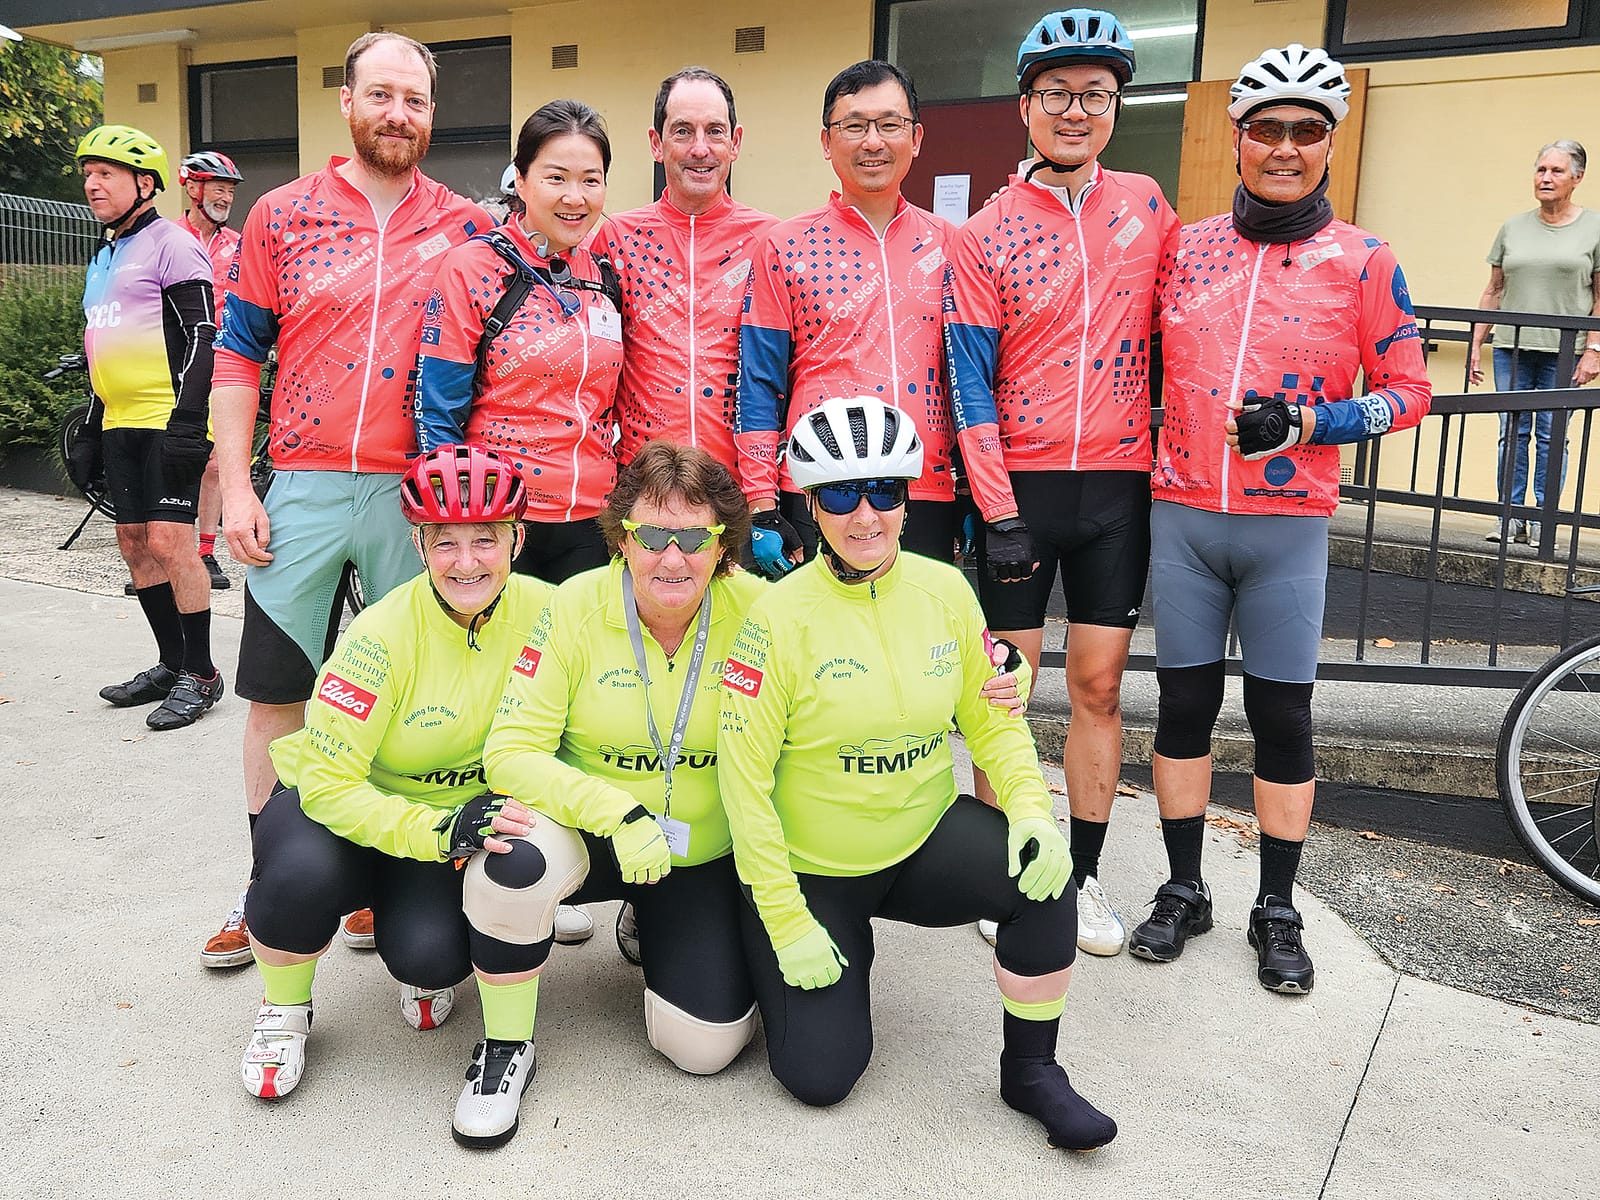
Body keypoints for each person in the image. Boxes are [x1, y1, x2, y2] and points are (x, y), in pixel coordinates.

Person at [719, 395, 1116, 1152]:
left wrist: (1032, 812)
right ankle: (795, 950)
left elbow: (992, 721)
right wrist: (785, 916)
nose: (865, 514)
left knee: (1043, 882)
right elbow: (744, 788)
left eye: (885, 492)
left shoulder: (945, 590)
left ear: (906, 499)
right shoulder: (774, 620)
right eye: (840, 495)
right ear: (810, 504)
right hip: (812, 868)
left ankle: (1031, 1070)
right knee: (820, 1078)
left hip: (918, 840)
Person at [1133, 44, 1431, 993]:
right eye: (1269, 128)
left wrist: (1312, 422)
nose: (1287, 147)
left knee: (1281, 719)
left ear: (1330, 144)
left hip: (1287, 523)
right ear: (1240, 139)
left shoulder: (1365, 261)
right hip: (1183, 512)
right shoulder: (1185, 245)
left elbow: (1410, 392)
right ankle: (1184, 890)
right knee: (1181, 708)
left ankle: (1276, 906)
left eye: (1308, 131)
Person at [206, 32, 492, 968]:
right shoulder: (280, 216)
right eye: (382, 95)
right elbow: (239, 358)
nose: (398, 113)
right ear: (346, 100)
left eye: (415, 99)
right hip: (306, 487)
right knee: (279, 697)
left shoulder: (465, 225)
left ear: (431, 113)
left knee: (409, 695)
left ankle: (377, 878)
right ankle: (267, 890)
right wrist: (237, 484)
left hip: (420, 496)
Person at [237, 444, 557, 1152]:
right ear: (418, 544)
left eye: (486, 539)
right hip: (350, 813)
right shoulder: (382, 632)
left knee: (431, 959)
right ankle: (283, 1012)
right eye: (445, 543)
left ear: (518, 539)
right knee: (297, 875)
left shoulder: (550, 612)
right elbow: (326, 781)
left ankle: (397, 919)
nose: (467, 562)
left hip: (449, 827)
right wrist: (436, 833)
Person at [945, 8, 1179, 957]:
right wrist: (996, 508)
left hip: (1116, 488)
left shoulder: (1149, 206)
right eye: (1057, 95)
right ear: (1027, 107)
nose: (1075, 111)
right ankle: (999, 871)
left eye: (1095, 95)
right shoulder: (987, 231)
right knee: (1006, 691)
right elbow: (968, 382)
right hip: (1023, 491)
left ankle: (1078, 878)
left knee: (1098, 688)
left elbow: (1186, 330)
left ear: (1116, 107)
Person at [472, 442, 762, 1117]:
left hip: (699, 852)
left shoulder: (759, 609)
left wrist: (987, 674)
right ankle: (504, 1047)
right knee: (510, 860)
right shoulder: (576, 604)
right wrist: (620, 814)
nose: (671, 555)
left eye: (694, 536)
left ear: (723, 547)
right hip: (592, 834)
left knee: (704, 1049)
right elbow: (511, 753)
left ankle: (655, 919)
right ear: (622, 540)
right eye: (652, 534)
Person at [735, 60, 959, 577]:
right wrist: (760, 500)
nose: (872, 141)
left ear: (917, 137)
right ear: (826, 140)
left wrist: (974, 493)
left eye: (889, 124)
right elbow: (757, 382)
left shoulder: (954, 244)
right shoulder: (782, 245)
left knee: (916, 651)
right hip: (818, 489)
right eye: (854, 125)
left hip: (923, 488)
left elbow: (969, 379)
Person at [415, 100, 622, 586]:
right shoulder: (475, 267)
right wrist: (453, 521)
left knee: (576, 660)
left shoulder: (605, 274)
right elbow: (437, 408)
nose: (576, 196)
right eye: (557, 178)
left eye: (591, 180)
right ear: (522, 180)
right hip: (499, 517)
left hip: (591, 519)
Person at [70, 125, 224, 732]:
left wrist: (188, 422)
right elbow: (104, 341)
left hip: (168, 420)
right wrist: (92, 416)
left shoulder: (173, 245)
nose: (92, 184)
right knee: (133, 542)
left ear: (145, 183)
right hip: (119, 422)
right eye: (88, 174)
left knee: (170, 543)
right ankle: (170, 661)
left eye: (106, 173)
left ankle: (203, 673)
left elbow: (202, 336)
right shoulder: (105, 254)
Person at [593, 68, 777, 475]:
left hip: (741, 483)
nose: (700, 148)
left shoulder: (770, 240)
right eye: (682, 131)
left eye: (714, 131)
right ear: (656, 144)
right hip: (643, 481)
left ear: (736, 142)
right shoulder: (616, 238)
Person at [1468, 139, 1600, 545]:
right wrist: (1476, 344)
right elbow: (1494, 289)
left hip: (1567, 351)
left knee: (1551, 433)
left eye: (1557, 171)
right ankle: (1509, 516)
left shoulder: (1594, 227)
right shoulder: (1513, 226)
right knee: (1512, 431)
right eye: (1541, 170)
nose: (1546, 178)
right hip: (1512, 346)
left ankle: (1542, 518)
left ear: (1577, 178)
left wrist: (1595, 349)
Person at [179, 149, 246, 591]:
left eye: (229, 189)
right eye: (216, 186)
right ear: (192, 188)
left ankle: (204, 550)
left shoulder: (238, 245)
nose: (225, 195)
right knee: (173, 461)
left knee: (217, 465)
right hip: (173, 364)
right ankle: (171, 549)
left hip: (220, 363)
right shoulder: (167, 239)